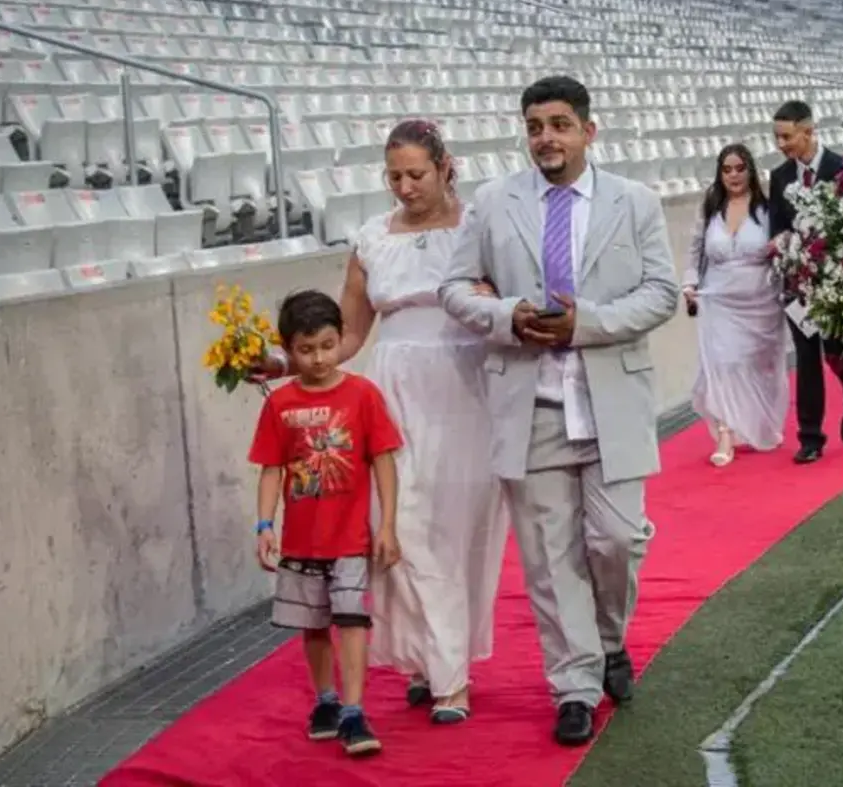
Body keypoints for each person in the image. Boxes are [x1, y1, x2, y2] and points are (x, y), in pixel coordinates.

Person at [439, 75, 678, 746]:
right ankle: (573, 684)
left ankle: (608, 640)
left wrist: (588, 323)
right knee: (549, 557)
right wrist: (504, 315)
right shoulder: (494, 203)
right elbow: (454, 287)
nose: (546, 136)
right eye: (536, 124)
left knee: (617, 539)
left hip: (613, 400)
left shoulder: (634, 202)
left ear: (587, 131)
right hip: (529, 399)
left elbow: (661, 292)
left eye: (560, 123)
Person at [256, 121, 508, 726]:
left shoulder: (482, 226)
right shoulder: (371, 238)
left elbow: (507, 301)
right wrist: (278, 363)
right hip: (393, 392)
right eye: (394, 176)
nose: (405, 186)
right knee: (404, 529)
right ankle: (441, 675)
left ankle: (443, 663)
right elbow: (346, 337)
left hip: (466, 387)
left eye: (416, 174)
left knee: (457, 531)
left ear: (446, 167)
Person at [248, 290, 404, 757]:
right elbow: (271, 469)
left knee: (352, 622)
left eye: (327, 345)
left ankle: (355, 711)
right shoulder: (279, 405)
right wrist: (264, 525)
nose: (318, 358)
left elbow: (383, 461)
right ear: (288, 350)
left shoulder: (363, 395)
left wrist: (388, 525)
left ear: (341, 340)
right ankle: (326, 700)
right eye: (306, 349)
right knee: (313, 626)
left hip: (350, 540)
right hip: (300, 543)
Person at [682, 143, 788, 467]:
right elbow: (696, 250)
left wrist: (781, 245)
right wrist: (689, 282)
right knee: (723, 364)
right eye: (726, 170)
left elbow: (787, 243)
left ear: (750, 170)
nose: (733, 176)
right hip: (719, 299)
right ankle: (725, 433)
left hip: (761, 301)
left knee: (755, 367)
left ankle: (754, 424)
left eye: (739, 168)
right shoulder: (711, 208)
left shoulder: (767, 209)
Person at [768, 100, 843, 465]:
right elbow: (777, 227)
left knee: (838, 353)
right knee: (806, 358)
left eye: (787, 136)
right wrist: (782, 246)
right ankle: (810, 437)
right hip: (798, 284)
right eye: (777, 137)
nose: (781, 144)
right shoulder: (779, 177)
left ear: (809, 131)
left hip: (836, 282)